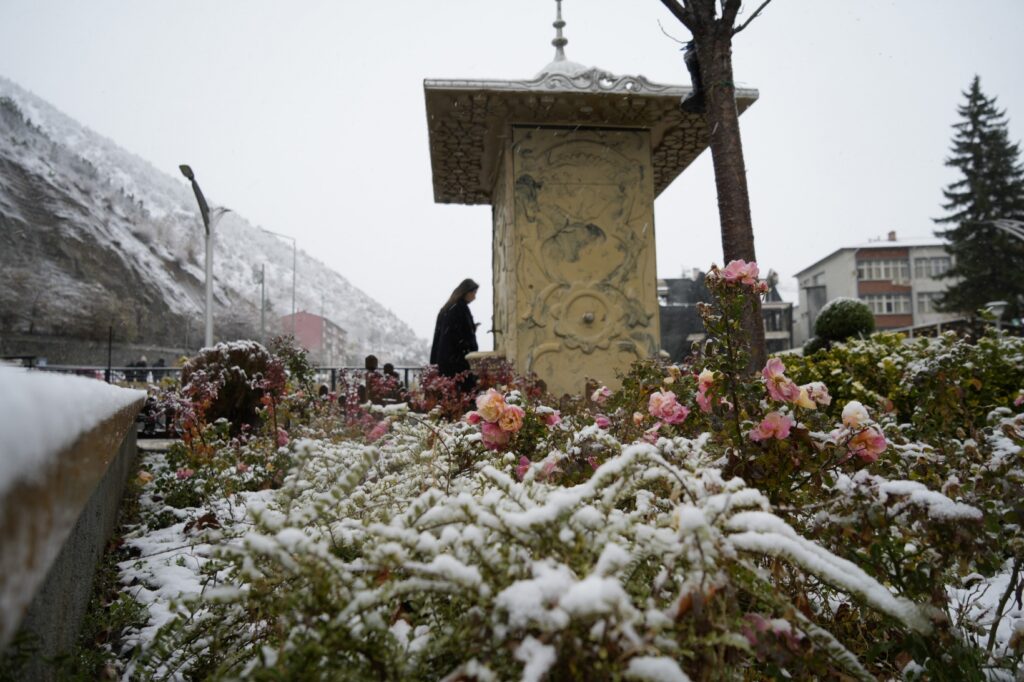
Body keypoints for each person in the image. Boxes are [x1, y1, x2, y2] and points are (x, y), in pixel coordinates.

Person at [430, 278, 480, 384]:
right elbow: (458, 335)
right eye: (473, 293)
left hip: (445, 362)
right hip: (457, 363)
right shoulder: (459, 309)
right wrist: (470, 334)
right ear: (466, 292)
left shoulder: (448, 309)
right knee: (463, 395)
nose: (474, 297)